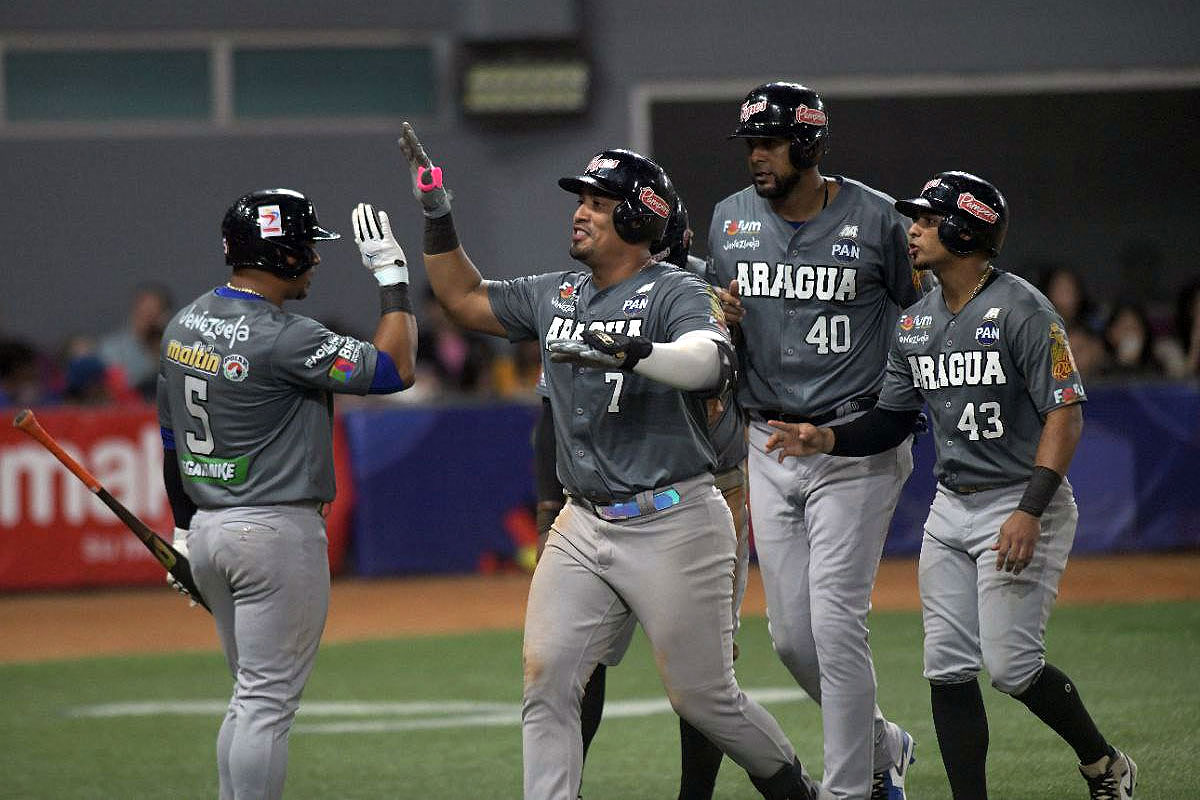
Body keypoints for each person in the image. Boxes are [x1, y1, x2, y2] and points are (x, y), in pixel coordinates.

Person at [397, 123, 828, 800]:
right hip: (583, 522)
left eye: (597, 201)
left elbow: (709, 358)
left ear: (638, 215)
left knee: (704, 700)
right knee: (548, 679)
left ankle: (794, 787)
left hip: (675, 520)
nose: (580, 210)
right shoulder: (558, 294)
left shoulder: (676, 291)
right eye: (583, 199)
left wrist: (638, 354)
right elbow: (463, 298)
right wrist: (435, 210)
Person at [763, 171, 1138, 800]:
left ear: (965, 229)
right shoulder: (914, 324)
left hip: (1019, 499)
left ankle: (1104, 763)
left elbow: (1066, 414)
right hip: (951, 504)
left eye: (927, 220)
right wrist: (826, 438)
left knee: (1012, 667)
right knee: (946, 669)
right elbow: (890, 420)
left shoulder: (1022, 308)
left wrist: (1029, 511)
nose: (912, 230)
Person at [156, 189, 417, 800]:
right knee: (266, 704)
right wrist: (392, 278)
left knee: (249, 697)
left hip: (213, 531)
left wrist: (183, 529)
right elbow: (395, 369)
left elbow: (170, 441)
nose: (317, 260)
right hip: (274, 534)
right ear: (283, 256)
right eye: (309, 247)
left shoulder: (184, 322)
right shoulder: (286, 336)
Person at [706, 81, 917, 800]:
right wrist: (717, 314)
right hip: (768, 439)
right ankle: (883, 743)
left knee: (834, 622)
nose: (756, 157)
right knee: (792, 638)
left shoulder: (880, 219)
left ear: (807, 143)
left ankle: (851, 789)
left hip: (851, 441)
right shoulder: (729, 220)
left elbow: (923, 317)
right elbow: (713, 326)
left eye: (768, 143)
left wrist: (902, 405)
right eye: (751, 145)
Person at [529, 196, 752, 800]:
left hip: (706, 487)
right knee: (578, 660)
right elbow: (554, 404)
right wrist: (552, 503)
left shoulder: (704, 290)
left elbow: (752, 371)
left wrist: (743, 327)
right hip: (600, 502)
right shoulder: (586, 294)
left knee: (705, 674)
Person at [100, 282, 174, 401]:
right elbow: (119, 384)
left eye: (153, 314)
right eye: (144, 312)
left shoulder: (173, 347)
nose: (148, 319)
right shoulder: (113, 348)